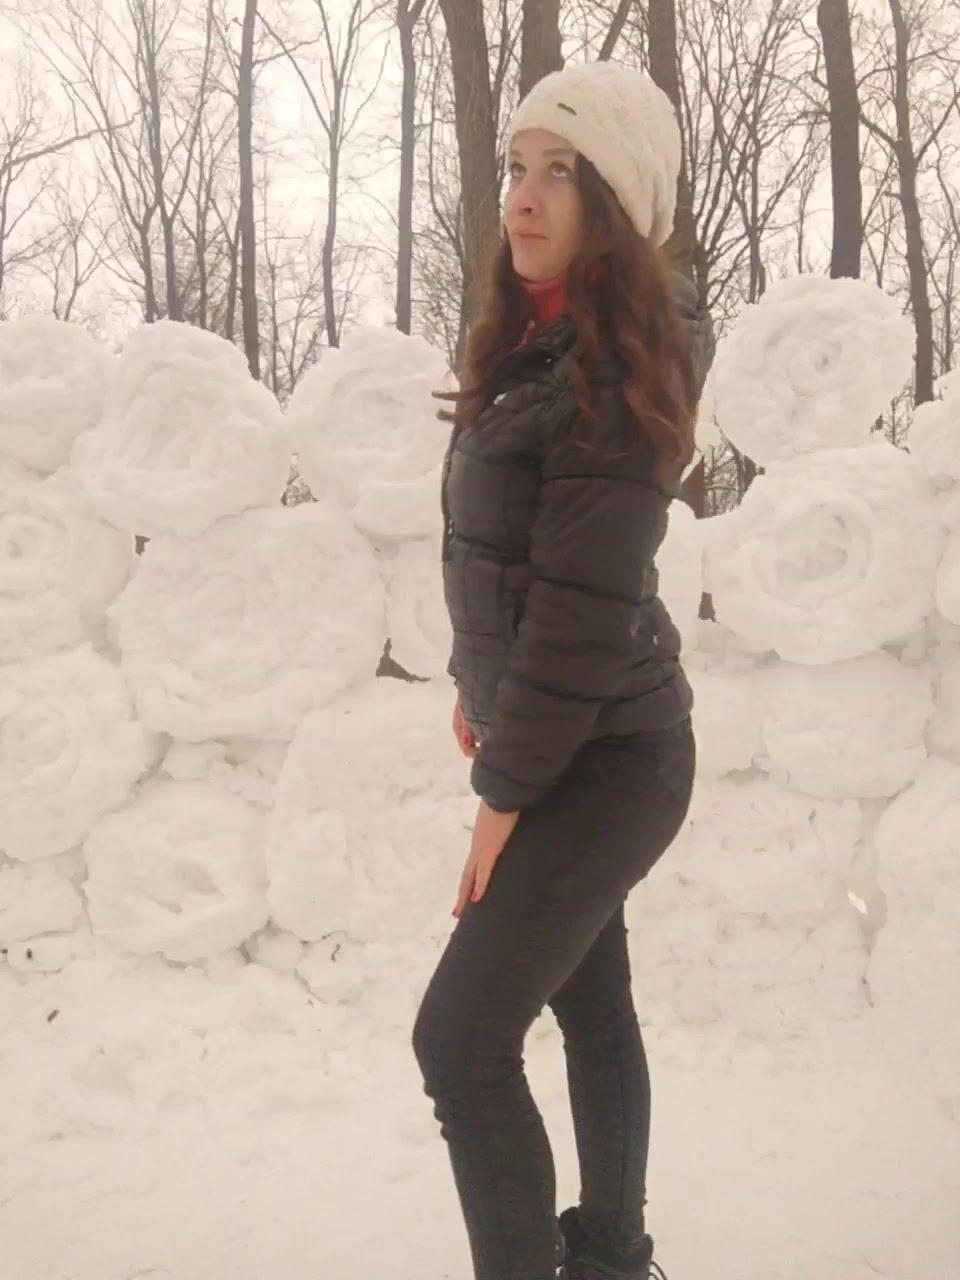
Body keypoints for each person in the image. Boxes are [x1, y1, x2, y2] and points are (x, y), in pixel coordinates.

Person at [413, 62, 712, 1280]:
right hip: (560, 731)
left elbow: (585, 612)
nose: (523, 199)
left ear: (616, 204)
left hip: (616, 754)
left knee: (460, 1038)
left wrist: (503, 796)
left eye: (560, 174)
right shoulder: (537, 347)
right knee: (591, 1003)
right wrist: (477, 688)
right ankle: (614, 1255)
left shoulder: (619, 368)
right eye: (516, 169)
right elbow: (513, 556)